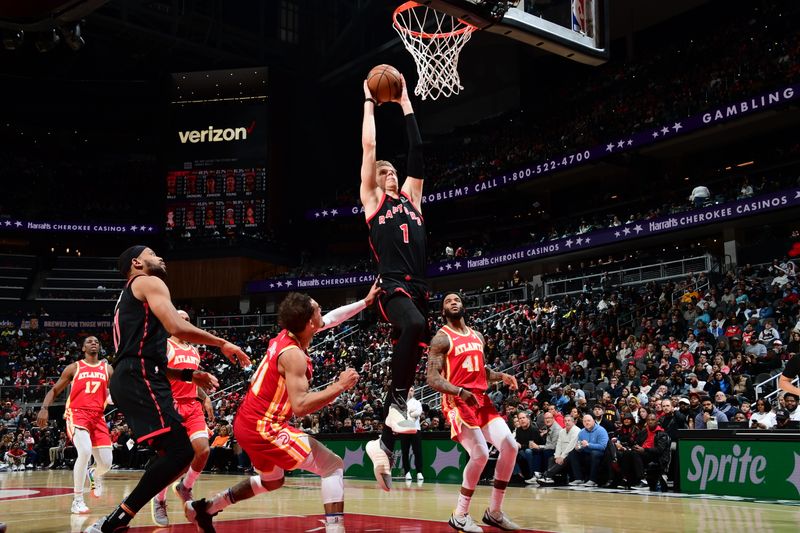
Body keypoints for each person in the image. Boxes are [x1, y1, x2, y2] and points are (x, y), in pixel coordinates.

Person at [185, 287, 379, 533]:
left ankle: (206, 508)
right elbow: (300, 407)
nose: (324, 312)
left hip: (246, 422)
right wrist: (339, 386)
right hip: (265, 426)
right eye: (319, 309)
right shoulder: (294, 355)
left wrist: (365, 301)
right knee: (332, 465)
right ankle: (335, 529)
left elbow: (332, 318)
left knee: (273, 480)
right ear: (310, 322)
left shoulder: (291, 332)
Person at [85, 245, 250, 533]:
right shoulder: (149, 281)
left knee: (175, 452)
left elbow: (146, 354)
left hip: (140, 375)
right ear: (137, 262)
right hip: (140, 376)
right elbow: (176, 327)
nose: (159, 257)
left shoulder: (129, 296)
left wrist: (188, 375)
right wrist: (222, 342)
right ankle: (116, 521)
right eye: (152, 253)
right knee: (180, 452)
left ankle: (120, 518)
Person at [360, 72, 430, 489]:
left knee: (422, 347)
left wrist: (405, 101)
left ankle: (384, 441)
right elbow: (369, 147)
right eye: (383, 172)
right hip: (391, 285)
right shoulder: (374, 202)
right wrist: (369, 101)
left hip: (420, 288)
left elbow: (417, 150)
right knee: (417, 327)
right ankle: (397, 412)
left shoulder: (413, 199)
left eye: (390, 171)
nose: (388, 174)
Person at [426, 293, 521, 532]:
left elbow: (481, 370)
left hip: (481, 399)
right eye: (448, 301)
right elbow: (432, 378)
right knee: (479, 454)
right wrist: (459, 391)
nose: (453, 302)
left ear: (463, 306)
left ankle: (495, 512)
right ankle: (459, 515)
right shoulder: (441, 338)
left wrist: (502, 376)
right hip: (457, 401)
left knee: (510, 446)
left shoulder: (477, 335)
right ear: (443, 311)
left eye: (456, 299)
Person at [150, 310, 217, 527]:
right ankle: (159, 500)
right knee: (172, 459)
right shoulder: (165, 345)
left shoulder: (195, 351)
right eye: (182, 319)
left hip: (192, 405)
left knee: (203, 450)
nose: (186, 322)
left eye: (189, 319)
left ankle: (184, 487)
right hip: (171, 405)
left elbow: (193, 381)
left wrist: (205, 398)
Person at [38, 336, 113, 514]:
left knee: (107, 464)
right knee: (85, 451)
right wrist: (44, 408)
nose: (93, 343)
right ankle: (77, 500)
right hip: (77, 413)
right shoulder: (74, 367)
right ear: (83, 348)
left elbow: (112, 392)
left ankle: (94, 474)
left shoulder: (108, 369)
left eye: (96, 341)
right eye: (89, 341)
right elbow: (55, 389)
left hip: (98, 417)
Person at [533, 414, 579, 485]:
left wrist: (562, 457)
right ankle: (549, 478)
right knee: (551, 459)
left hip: (571, 454)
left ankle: (546, 475)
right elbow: (558, 445)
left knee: (564, 459)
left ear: (573, 422)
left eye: (569, 421)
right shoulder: (562, 431)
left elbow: (571, 446)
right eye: (565, 421)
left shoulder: (576, 430)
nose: (567, 422)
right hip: (561, 454)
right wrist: (557, 456)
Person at [568, 414, 609, 487]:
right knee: (573, 452)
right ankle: (579, 478)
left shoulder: (601, 430)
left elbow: (603, 446)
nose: (587, 423)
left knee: (594, 453)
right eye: (584, 421)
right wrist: (578, 447)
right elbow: (581, 444)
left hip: (600, 452)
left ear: (593, 421)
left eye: (589, 421)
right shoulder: (582, 432)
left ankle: (593, 480)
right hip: (586, 452)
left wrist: (588, 445)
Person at [400, 387, 424, 483]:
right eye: (409, 390)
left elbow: (418, 413)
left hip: (415, 429)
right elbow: (401, 415)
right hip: (404, 429)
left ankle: (419, 472)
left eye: (412, 390)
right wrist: (410, 413)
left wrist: (409, 413)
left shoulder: (417, 402)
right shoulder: (401, 402)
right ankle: (407, 472)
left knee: (417, 451)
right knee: (405, 451)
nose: (411, 391)